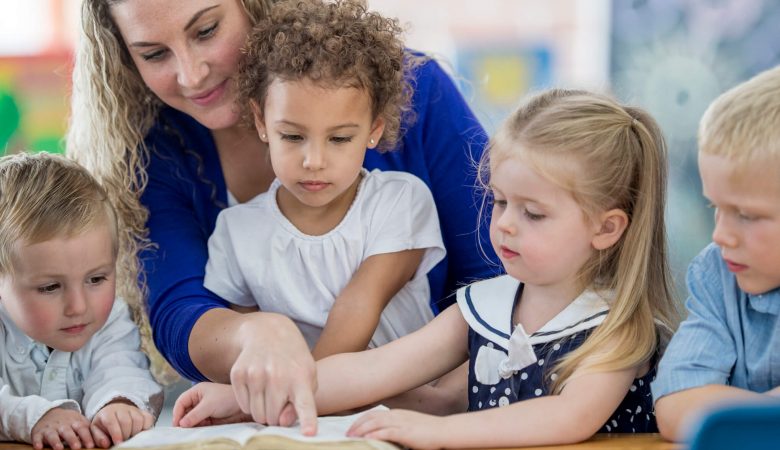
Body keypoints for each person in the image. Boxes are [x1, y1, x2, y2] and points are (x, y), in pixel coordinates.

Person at [67, 0, 495, 432]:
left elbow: (498, 274)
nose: (191, 74)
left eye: (207, 30)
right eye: (154, 54)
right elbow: (181, 310)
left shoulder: (412, 99)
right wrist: (252, 338)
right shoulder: (160, 154)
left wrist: (448, 396)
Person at [172, 88, 681, 448]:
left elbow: (569, 417)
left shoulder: (617, 326)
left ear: (607, 228)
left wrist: (439, 433)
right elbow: (372, 370)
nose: (503, 225)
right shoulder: (484, 308)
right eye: (500, 202)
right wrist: (254, 397)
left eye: (533, 213)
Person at [204, 0, 444, 359]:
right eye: (293, 136)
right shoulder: (236, 232)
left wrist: (299, 389)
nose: (313, 162)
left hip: (408, 402)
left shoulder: (399, 202)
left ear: (373, 130)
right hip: (304, 410)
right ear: (261, 122)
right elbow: (250, 348)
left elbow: (358, 306)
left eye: (339, 139)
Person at [0, 152, 163, 450]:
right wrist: (34, 417)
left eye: (97, 279)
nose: (78, 306)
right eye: (50, 287)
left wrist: (118, 404)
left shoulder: (110, 319)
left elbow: (122, 368)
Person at [652, 66, 780, 441]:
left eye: (746, 215)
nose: (720, 235)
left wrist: (735, 413)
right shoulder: (719, 274)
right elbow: (676, 406)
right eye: (715, 208)